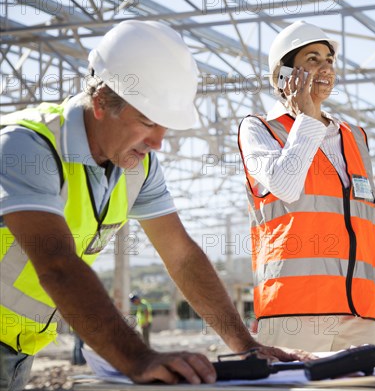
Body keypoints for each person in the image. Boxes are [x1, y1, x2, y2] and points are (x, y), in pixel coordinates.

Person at [0, 20, 306, 391]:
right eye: (147, 122)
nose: (158, 142)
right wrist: (139, 358)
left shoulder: (138, 167)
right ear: (100, 103)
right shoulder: (25, 147)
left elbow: (181, 256)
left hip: (19, 349)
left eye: (165, 126)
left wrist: (246, 346)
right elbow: (56, 264)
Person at [237, 21, 375, 352]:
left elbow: (368, 224)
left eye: (329, 59)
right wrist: (308, 117)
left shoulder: (355, 137)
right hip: (294, 313)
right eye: (312, 58)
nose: (326, 66)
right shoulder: (258, 130)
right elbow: (286, 185)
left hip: (360, 313)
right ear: (284, 75)